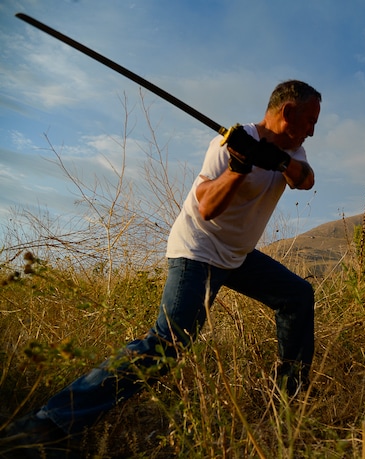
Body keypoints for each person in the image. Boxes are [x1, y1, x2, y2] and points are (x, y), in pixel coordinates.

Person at [2, 79, 321, 456]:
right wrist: (239, 166)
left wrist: (280, 162)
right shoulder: (231, 144)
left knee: (297, 296)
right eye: (310, 121)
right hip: (198, 250)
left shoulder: (293, 150)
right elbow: (206, 207)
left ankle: (287, 404)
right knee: (167, 344)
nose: (312, 131)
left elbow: (307, 180)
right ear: (287, 113)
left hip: (238, 256)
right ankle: (47, 424)